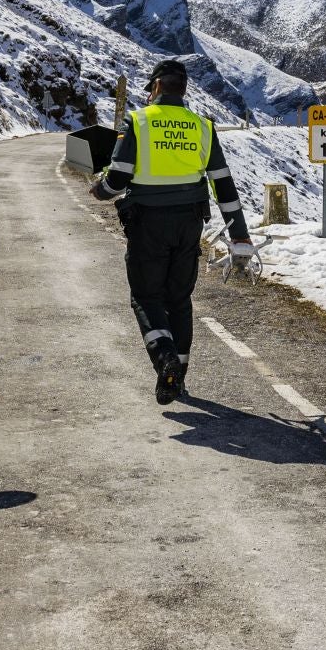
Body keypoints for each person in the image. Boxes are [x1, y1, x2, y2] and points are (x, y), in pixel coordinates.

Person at [90, 60, 255, 403]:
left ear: (155, 88)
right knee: (178, 299)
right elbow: (223, 185)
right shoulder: (202, 126)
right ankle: (176, 377)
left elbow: (118, 178)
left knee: (147, 296)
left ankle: (164, 356)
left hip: (147, 223)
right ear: (183, 89)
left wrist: (100, 190)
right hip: (189, 224)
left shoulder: (139, 121)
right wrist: (240, 234)